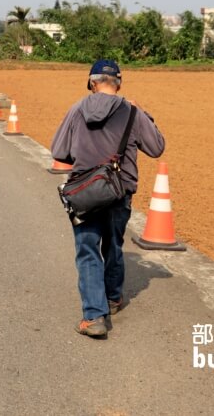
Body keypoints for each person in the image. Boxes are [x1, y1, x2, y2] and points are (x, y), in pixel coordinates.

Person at [50, 59, 165, 338]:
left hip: (85, 193)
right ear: (120, 83)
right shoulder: (132, 112)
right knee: (113, 244)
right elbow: (157, 147)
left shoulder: (77, 109)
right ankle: (113, 298)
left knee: (88, 252)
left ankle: (94, 317)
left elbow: (58, 150)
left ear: (91, 83)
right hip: (119, 191)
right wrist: (144, 114)